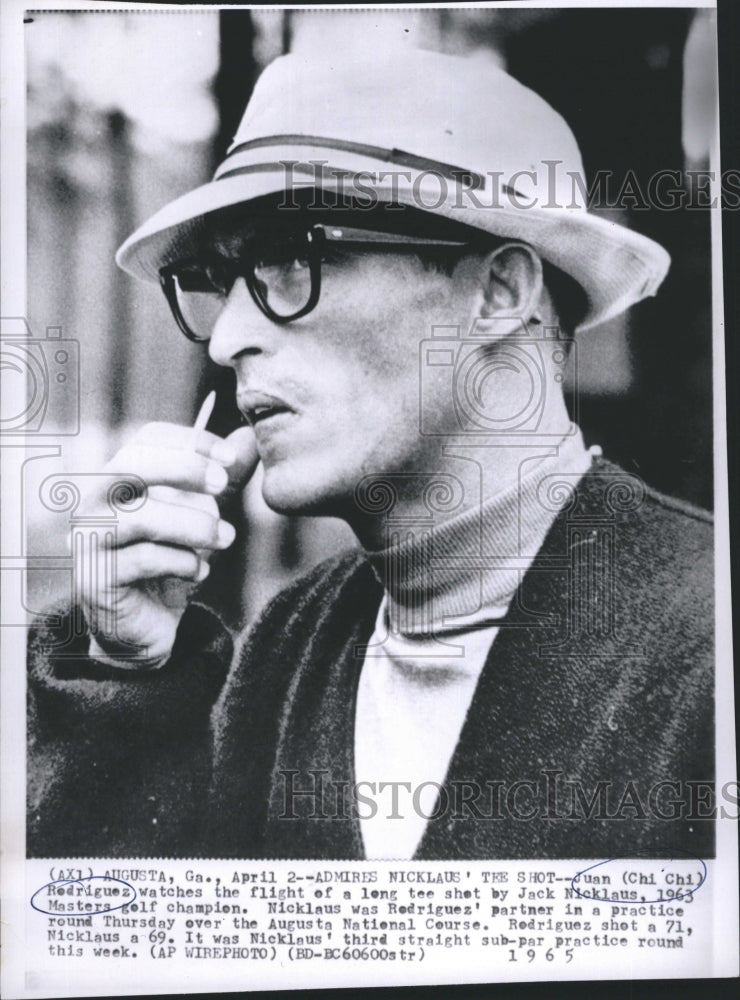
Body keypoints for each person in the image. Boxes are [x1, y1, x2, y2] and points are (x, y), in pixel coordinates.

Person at [27, 50, 714, 860]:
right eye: (219, 279)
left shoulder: (706, 642)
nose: (228, 335)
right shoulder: (288, 648)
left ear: (499, 293)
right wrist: (126, 675)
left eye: (291, 258)